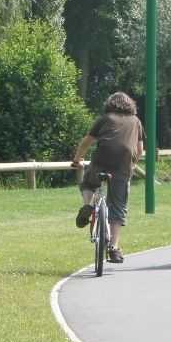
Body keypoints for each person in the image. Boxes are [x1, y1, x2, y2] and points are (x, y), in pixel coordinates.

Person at [71, 91, 144, 263]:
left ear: (109, 104)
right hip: (123, 167)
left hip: (101, 161)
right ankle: (114, 248)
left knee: (88, 183)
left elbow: (86, 142)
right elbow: (140, 149)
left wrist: (77, 160)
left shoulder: (105, 118)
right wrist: (132, 164)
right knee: (118, 206)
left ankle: (88, 206)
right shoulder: (136, 121)